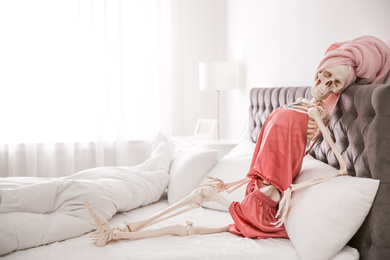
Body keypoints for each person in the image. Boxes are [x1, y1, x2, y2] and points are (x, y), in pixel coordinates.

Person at [86, 36, 390, 246]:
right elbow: (266, 154)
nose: (324, 86)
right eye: (323, 76)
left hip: (268, 201)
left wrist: (292, 189)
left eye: (335, 83)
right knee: (197, 205)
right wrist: (231, 186)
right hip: (256, 189)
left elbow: (338, 167)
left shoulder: (317, 115)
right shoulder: (295, 105)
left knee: (194, 213)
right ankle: (118, 233)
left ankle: (121, 233)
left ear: (343, 87)